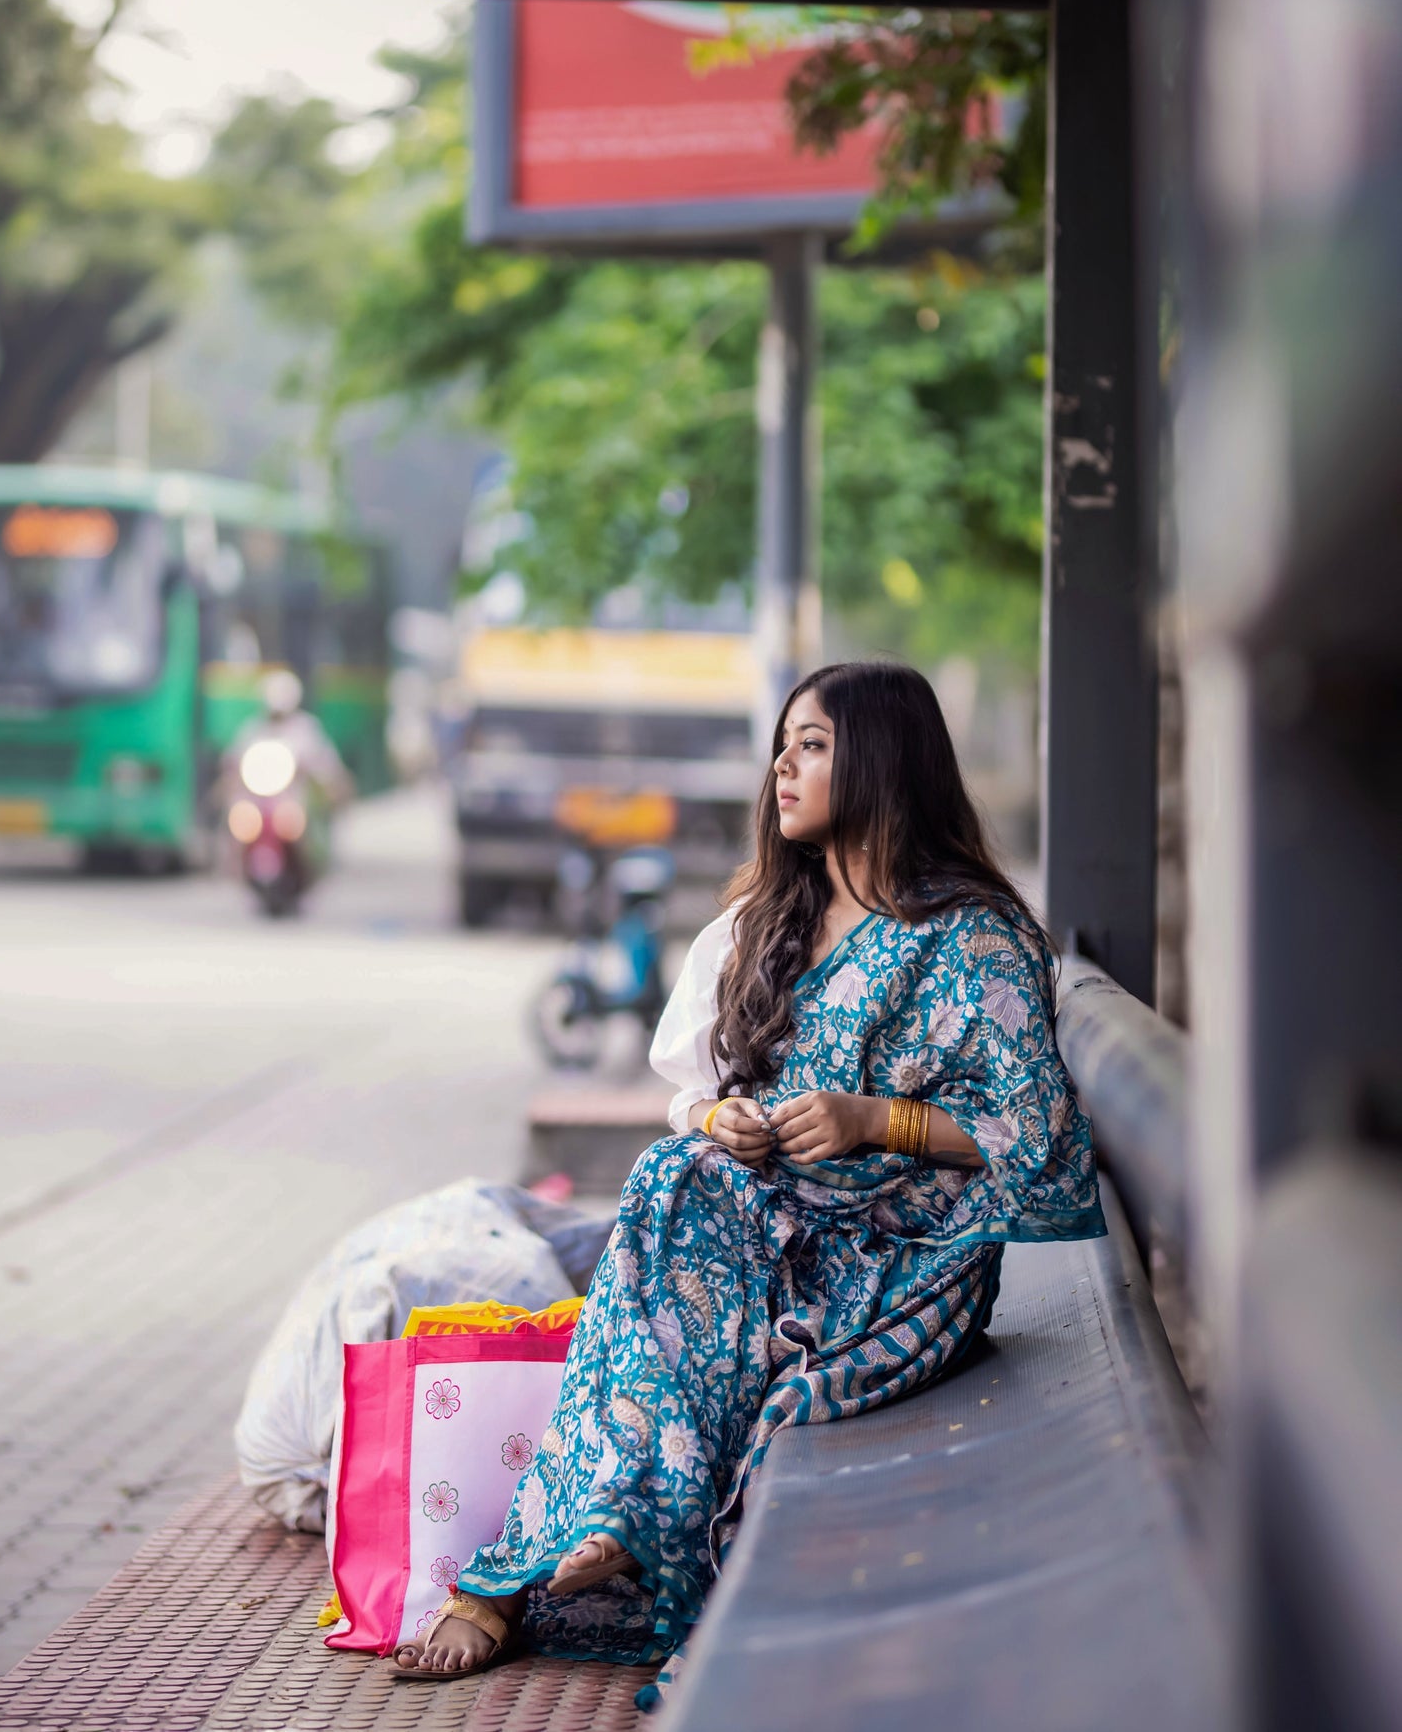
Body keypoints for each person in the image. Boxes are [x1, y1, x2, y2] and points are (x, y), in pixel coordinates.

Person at [394, 661, 1105, 1691]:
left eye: (811, 745)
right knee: (678, 1171)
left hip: (907, 1254)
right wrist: (725, 1118)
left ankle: (576, 1547)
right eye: (783, 743)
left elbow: (1041, 1139)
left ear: (882, 762)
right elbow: (697, 1090)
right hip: (781, 1222)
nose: (782, 763)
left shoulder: (971, 938)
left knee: (689, 1235)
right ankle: (601, 1525)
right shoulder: (769, 919)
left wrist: (879, 1120)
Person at [226, 668, 353, 807]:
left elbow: (325, 762)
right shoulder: (254, 728)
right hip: (256, 797)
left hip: (295, 795)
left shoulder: (306, 728)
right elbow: (234, 757)